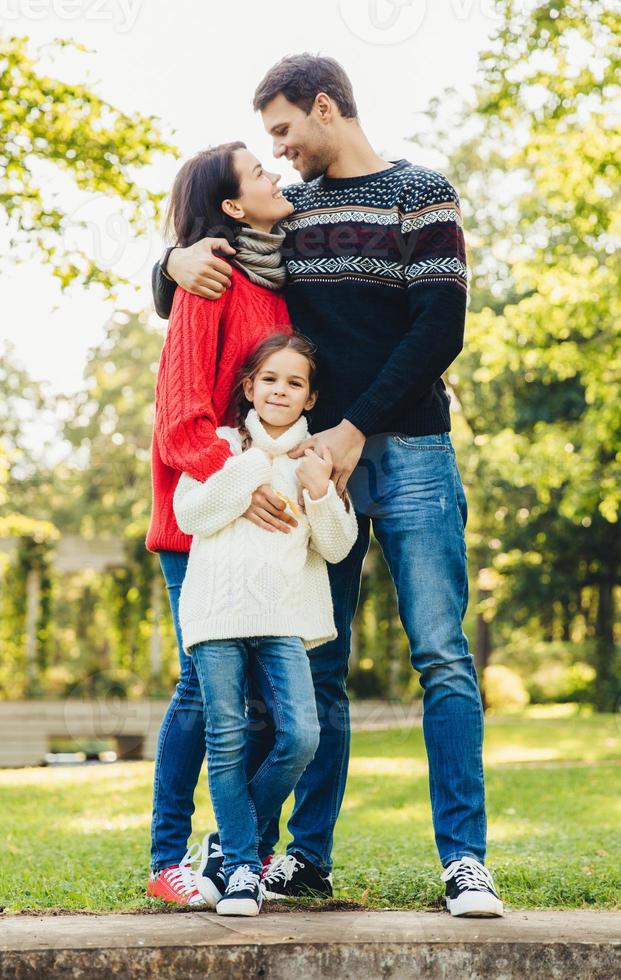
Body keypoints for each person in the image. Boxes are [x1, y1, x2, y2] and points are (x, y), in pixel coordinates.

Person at [152, 53, 504, 917]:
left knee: (441, 656)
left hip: (407, 451)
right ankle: (299, 857)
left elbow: (440, 325)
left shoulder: (420, 192)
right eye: (266, 141)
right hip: (313, 470)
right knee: (319, 662)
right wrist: (171, 256)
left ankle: (463, 861)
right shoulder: (293, 212)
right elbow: (201, 270)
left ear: (322, 108)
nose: (278, 150)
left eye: (282, 130)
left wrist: (351, 430)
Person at [145, 140, 304, 907]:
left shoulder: (273, 288)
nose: (277, 174)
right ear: (233, 207)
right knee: (200, 692)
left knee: (275, 710)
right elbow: (180, 422)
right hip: (199, 520)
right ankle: (166, 858)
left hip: (265, 529)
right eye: (260, 171)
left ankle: (235, 851)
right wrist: (244, 486)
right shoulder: (209, 280)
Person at [172, 333, 358, 915]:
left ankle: (227, 847)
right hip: (217, 613)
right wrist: (254, 462)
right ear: (250, 387)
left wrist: (321, 491)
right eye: (270, 379)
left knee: (301, 736)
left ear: (310, 398)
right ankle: (246, 872)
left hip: (282, 619)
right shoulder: (222, 445)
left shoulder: (315, 462)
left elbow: (336, 547)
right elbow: (192, 513)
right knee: (226, 742)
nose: (281, 390)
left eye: (294, 383)